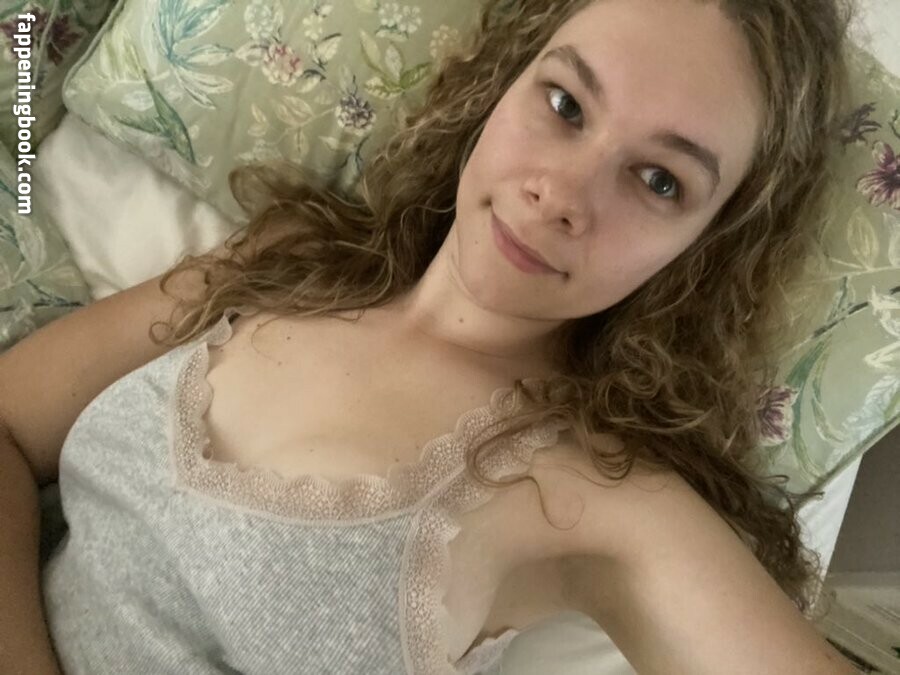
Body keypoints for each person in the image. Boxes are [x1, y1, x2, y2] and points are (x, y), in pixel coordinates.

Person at [0, 0, 860, 672]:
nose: (560, 193)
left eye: (659, 181)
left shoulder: (599, 495)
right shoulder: (288, 257)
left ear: (705, 248)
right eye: (565, 103)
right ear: (504, 83)